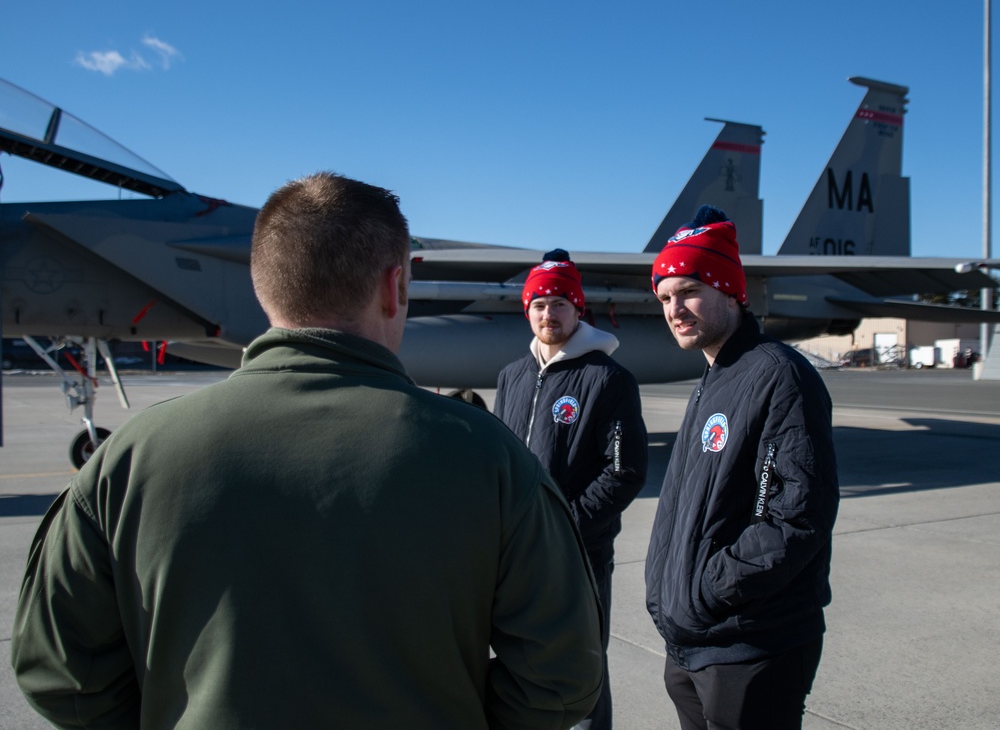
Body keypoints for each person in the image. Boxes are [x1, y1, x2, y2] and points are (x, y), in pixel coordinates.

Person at [10, 173, 604, 730]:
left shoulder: (129, 459)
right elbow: (561, 675)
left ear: (263, 284)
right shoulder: (489, 458)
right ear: (394, 287)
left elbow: (60, 671)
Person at [644, 206, 840, 730]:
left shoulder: (778, 376)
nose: (674, 309)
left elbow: (793, 518)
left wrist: (706, 590)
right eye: (664, 297)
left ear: (729, 289)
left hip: (752, 646)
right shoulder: (715, 377)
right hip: (695, 644)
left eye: (688, 291)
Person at [493, 249, 648, 730]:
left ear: (578, 310)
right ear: (527, 311)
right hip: (516, 555)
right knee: (518, 666)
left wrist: (565, 528)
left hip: (580, 553)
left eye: (560, 302)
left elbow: (623, 471)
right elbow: (501, 459)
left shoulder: (608, 379)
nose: (548, 313)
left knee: (581, 669)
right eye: (539, 303)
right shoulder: (512, 377)